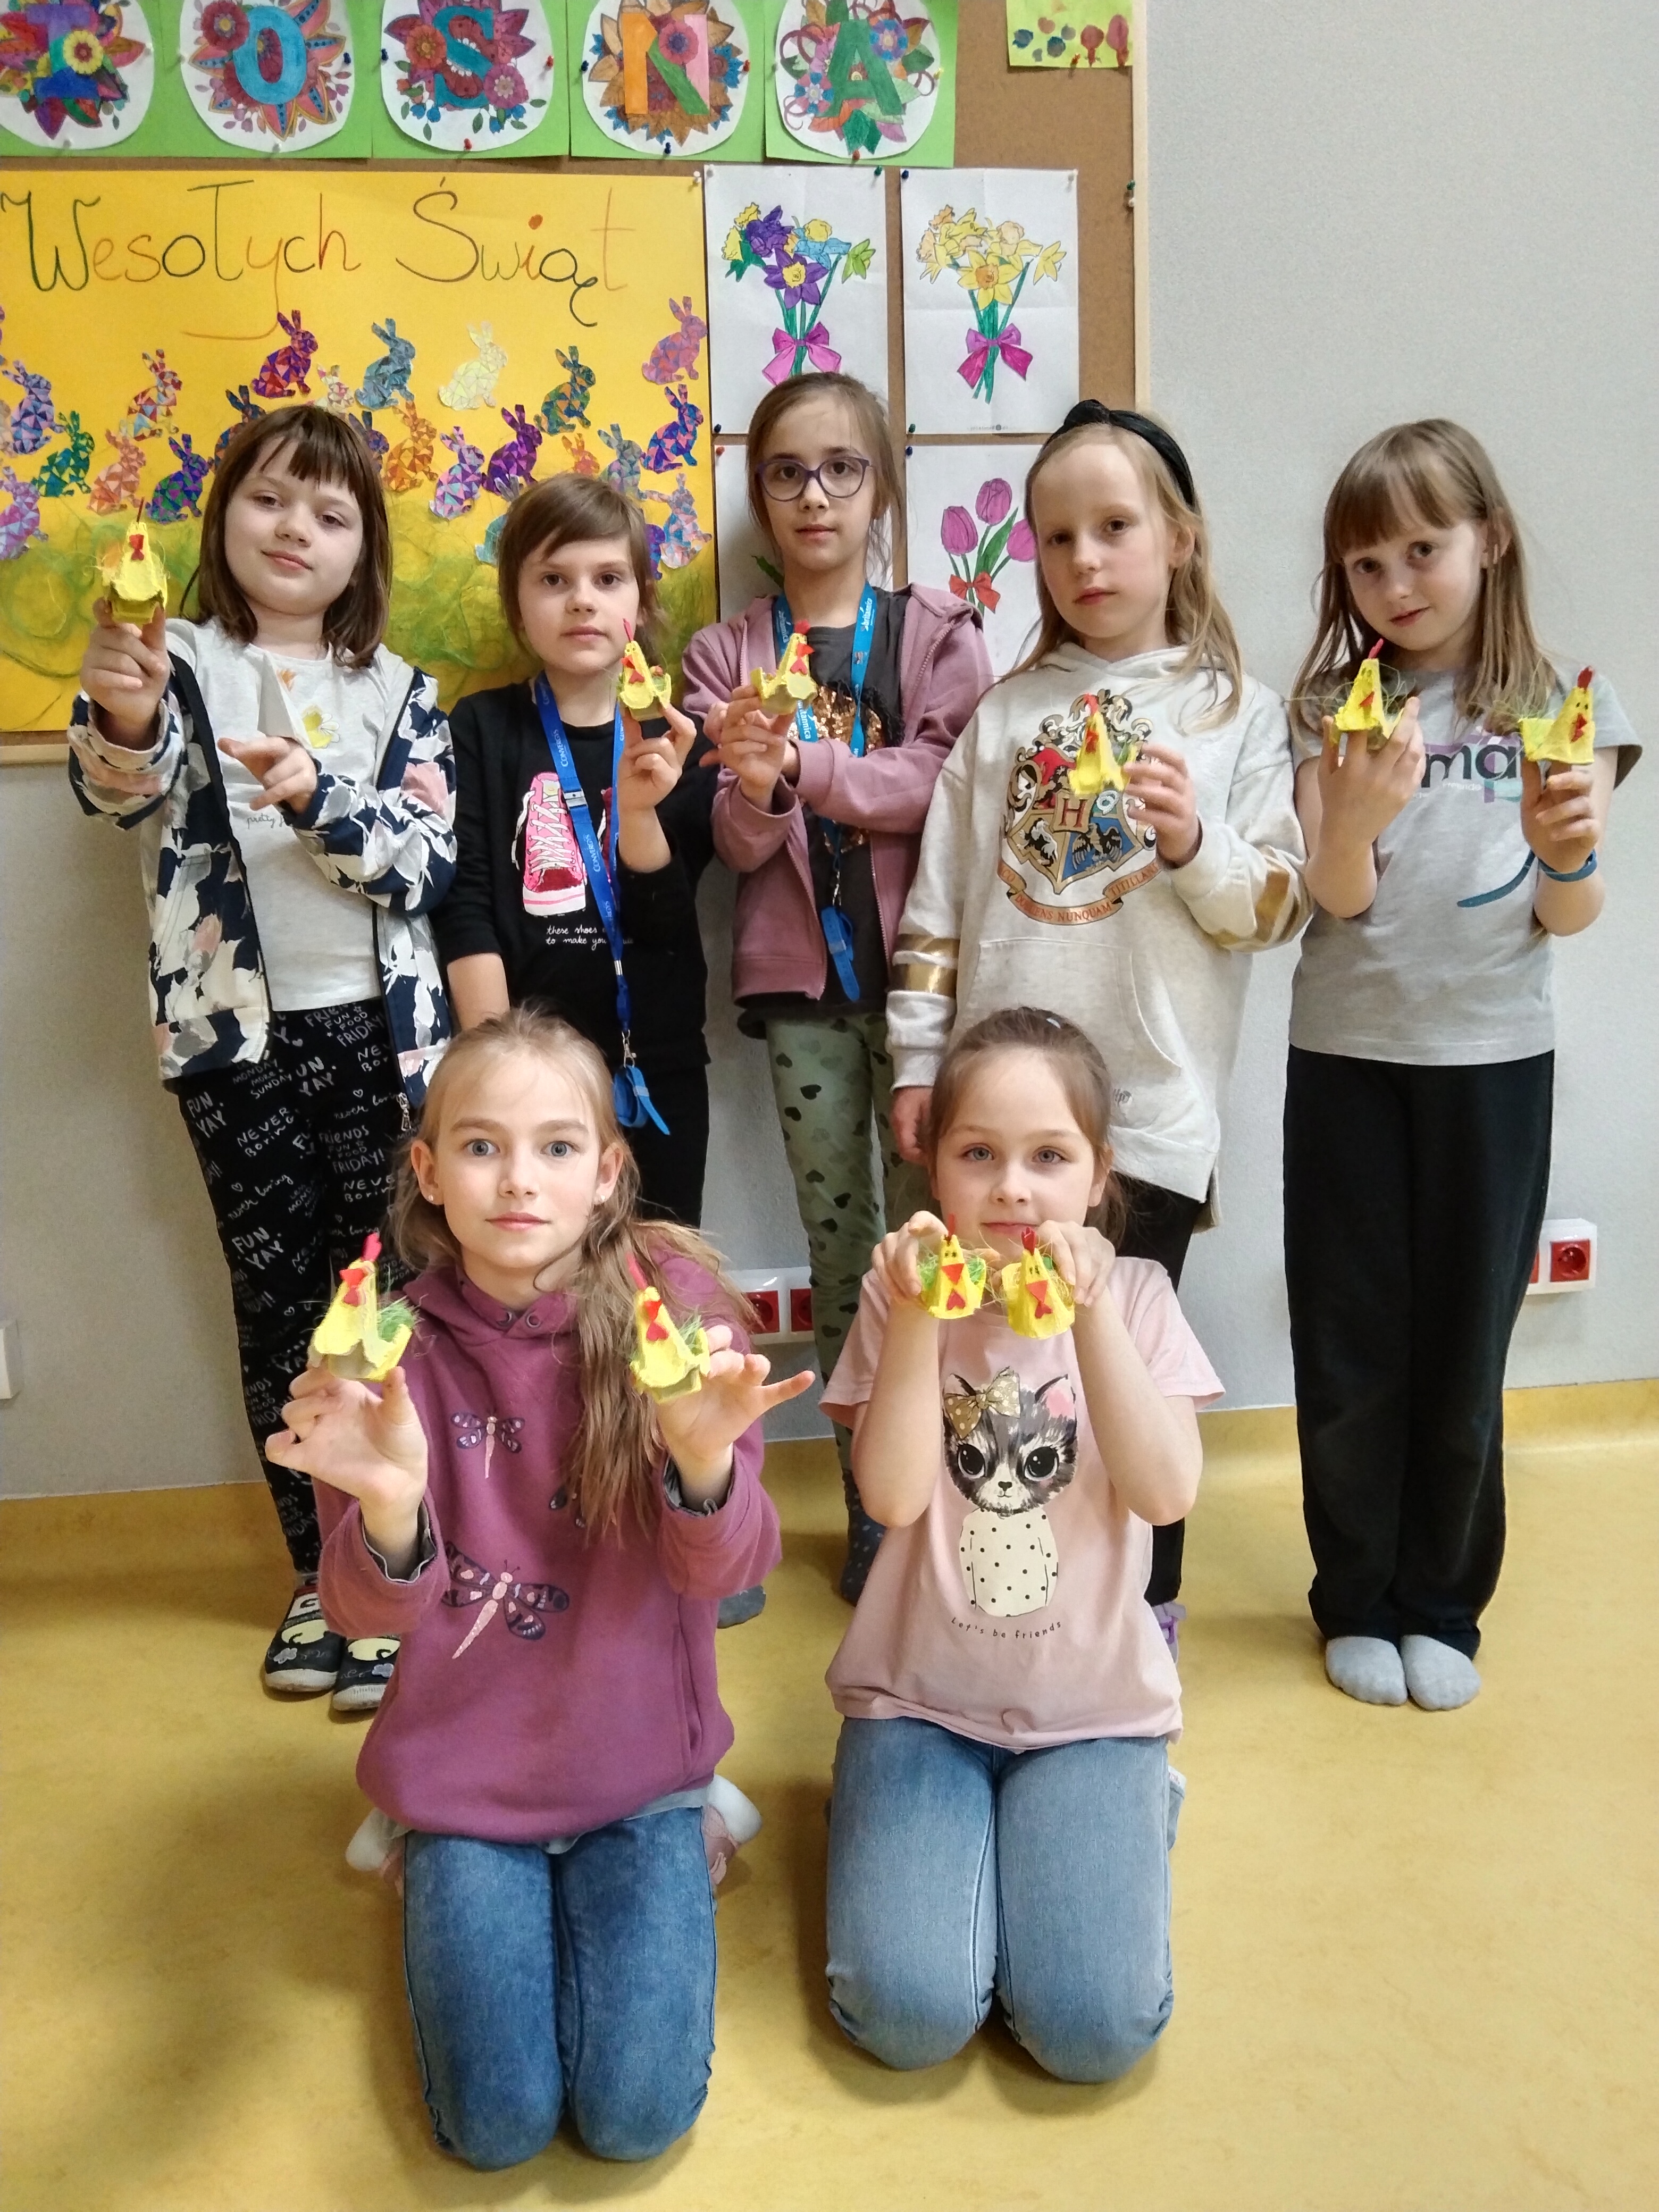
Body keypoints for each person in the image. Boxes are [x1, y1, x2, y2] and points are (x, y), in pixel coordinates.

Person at [265, 1009, 808, 2170]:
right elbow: (363, 1614)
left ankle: (696, 1823)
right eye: (482, 1147)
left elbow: (729, 1570)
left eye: (558, 1147)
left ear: (608, 1171)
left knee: (635, 2118)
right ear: (428, 1170)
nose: (519, 1180)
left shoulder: (676, 1320)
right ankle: (421, 1847)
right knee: (495, 2128)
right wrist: (390, 1506)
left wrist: (704, 1466)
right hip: (464, 1786)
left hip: (642, 1777)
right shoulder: (383, 1353)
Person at [885, 400, 1306, 1648]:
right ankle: (1006, 1611)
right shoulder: (1004, 715)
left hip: (1148, 1122)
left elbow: (1276, 906)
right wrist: (918, 1062)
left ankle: (1143, 1614)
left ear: (1180, 538)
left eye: (1115, 527)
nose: (1085, 559)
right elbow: (937, 907)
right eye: (1058, 536)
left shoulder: (1239, 711)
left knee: (1128, 1368)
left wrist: (1192, 842)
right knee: (1001, 1370)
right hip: (998, 1128)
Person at [69, 404, 454, 1712]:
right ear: (223, 515)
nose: (297, 529)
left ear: (364, 550)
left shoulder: (402, 693)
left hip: (385, 1044)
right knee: (281, 1308)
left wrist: (314, 794)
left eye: (331, 513)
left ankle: (396, 1567)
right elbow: (114, 790)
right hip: (229, 1042)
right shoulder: (170, 659)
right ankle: (316, 1577)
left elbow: (422, 867)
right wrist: (125, 715)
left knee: (389, 1307)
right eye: (270, 500)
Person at [1285, 418, 1639, 1711]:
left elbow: (1569, 915)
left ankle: (1442, 1603)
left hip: (1493, 1060)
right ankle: (1355, 1596)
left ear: (1489, 540)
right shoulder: (1329, 710)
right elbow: (1335, 897)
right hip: (1346, 1058)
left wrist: (1570, 849)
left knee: (1464, 1344)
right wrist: (1354, 820)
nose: (1397, 585)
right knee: (1349, 1344)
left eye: (1423, 549)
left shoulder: (1560, 707)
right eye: (1366, 564)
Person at [820, 1007, 1221, 2081]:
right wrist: (917, 1315)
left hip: (1094, 1715)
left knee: (1093, 2036)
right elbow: (892, 1496)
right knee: (906, 2021)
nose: (1013, 1189)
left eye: (1050, 1157)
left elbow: (1164, 1493)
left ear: (1098, 1175)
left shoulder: (1139, 1298)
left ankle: (1122, 1812)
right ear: (935, 1169)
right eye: (978, 1155)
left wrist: (1089, 1313)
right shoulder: (897, 1297)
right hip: (918, 1706)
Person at [682, 370, 991, 1603]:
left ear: (881, 489)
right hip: (801, 1003)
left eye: (842, 469)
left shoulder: (937, 634)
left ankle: (949, 1494)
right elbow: (733, 840)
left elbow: (941, 783)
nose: (815, 495)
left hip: (926, 992)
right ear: (761, 497)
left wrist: (803, 766)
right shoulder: (724, 654)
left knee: (938, 1243)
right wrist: (759, 790)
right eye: (787, 473)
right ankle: (874, 1504)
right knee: (842, 1244)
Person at [434, 474, 715, 1229]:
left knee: (659, 1274)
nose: (582, 600)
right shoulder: (481, 728)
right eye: (554, 580)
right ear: (517, 606)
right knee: (535, 1273)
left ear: (642, 603)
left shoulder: (677, 737)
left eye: (608, 579)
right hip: (527, 1073)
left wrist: (639, 815)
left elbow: (665, 925)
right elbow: (465, 906)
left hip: (655, 1066)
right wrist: (497, 1067)